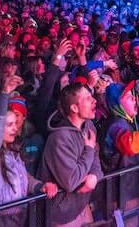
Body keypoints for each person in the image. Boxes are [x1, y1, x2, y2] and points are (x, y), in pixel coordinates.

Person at [0, 74, 58, 227]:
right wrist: (4, 93)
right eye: (9, 125)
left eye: (15, 123)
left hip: (19, 219)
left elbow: (23, 177)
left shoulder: (13, 152)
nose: (15, 128)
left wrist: (39, 186)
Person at [39, 83, 103, 227]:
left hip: (81, 205)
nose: (94, 100)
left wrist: (94, 176)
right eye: (88, 98)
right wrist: (88, 149)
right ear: (74, 108)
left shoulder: (89, 126)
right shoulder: (59, 137)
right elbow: (71, 181)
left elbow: (96, 160)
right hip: (61, 215)